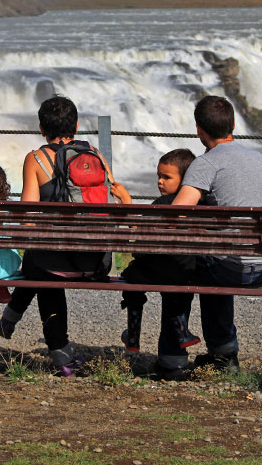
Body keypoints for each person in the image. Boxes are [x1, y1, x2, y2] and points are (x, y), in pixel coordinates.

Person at [0, 95, 120, 376]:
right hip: (97, 263)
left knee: (41, 265)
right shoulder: (95, 156)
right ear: (77, 125)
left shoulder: (36, 159)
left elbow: (27, 216)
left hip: (55, 265)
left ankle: (57, 354)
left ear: (41, 128)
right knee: (43, 263)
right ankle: (10, 321)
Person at [172, 95, 262, 375]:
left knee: (203, 262)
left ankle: (221, 355)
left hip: (234, 269)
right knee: (218, 256)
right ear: (233, 125)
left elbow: (175, 214)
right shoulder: (257, 157)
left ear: (199, 130)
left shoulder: (206, 163)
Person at [110, 148, 214, 380]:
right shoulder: (203, 204)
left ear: (185, 179)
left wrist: (127, 202)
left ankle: (134, 333)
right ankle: (179, 336)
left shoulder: (163, 205)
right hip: (186, 273)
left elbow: (139, 240)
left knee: (131, 276)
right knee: (177, 289)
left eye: (166, 177)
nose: (159, 181)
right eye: (159, 175)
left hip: (153, 272)